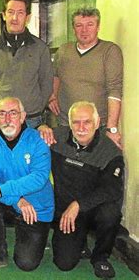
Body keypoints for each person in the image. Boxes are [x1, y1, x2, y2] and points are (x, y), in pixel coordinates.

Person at [0, 97, 54, 272]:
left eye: (13, 113)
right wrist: (17, 200)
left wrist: (2, 189)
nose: (7, 119)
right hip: (12, 202)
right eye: (2, 114)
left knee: (26, 264)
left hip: (36, 206)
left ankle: (34, 235)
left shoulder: (38, 140)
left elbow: (39, 178)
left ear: (23, 116)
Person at [50, 101, 124, 279]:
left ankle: (100, 257)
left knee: (111, 213)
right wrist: (41, 126)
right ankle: (80, 241)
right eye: (76, 122)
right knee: (64, 264)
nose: (81, 127)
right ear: (69, 124)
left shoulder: (110, 151)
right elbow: (29, 137)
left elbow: (112, 189)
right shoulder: (56, 138)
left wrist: (79, 205)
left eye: (87, 122)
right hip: (66, 212)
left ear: (97, 123)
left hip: (92, 209)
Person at [48, 8, 123, 149]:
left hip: (96, 127)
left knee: (92, 169)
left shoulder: (109, 51)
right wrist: (52, 96)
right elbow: (56, 75)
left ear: (98, 27)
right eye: (79, 25)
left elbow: (115, 91)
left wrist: (111, 129)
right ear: (73, 28)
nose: (84, 30)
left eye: (90, 24)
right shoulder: (63, 51)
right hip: (65, 124)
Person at [0, 0, 53, 130]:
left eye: (20, 13)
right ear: (4, 15)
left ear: (28, 17)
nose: (15, 17)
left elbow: (46, 85)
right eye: (10, 12)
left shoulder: (40, 49)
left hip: (31, 119)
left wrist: (33, 107)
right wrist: (1, 109)